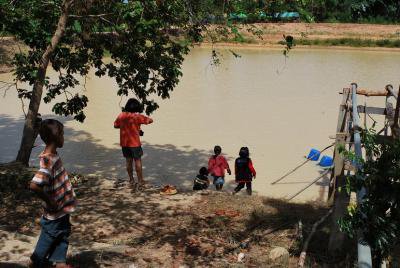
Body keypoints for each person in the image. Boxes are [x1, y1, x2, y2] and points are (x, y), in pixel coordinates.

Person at [29, 119, 76, 268]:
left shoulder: (52, 155)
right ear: (56, 136)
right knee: (49, 235)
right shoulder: (48, 160)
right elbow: (34, 185)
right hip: (55, 210)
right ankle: (35, 261)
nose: (64, 138)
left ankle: (60, 262)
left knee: (63, 233)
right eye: (62, 134)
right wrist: (50, 200)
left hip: (62, 208)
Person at [114, 98, 153, 190]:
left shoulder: (121, 115)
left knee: (128, 161)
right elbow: (150, 120)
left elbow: (115, 125)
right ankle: (140, 181)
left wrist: (125, 126)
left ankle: (131, 180)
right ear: (136, 107)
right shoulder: (137, 116)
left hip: (124, 143)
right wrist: (138, 123)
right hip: (135, 143)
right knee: (138, 161)